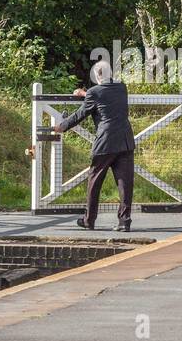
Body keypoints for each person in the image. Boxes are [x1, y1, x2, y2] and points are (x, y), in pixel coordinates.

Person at [54, 59, 135, 231]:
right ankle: (124, 221)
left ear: (97, 76)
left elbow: (80, 114)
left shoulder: (94, 92)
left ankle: (89, 220)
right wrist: (86, 94)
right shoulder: (122, 88)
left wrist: (62, 127)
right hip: (125, 141)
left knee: (94, 182)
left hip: (105, 143)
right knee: (125, 183)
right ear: (110, 74)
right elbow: (105, 95)